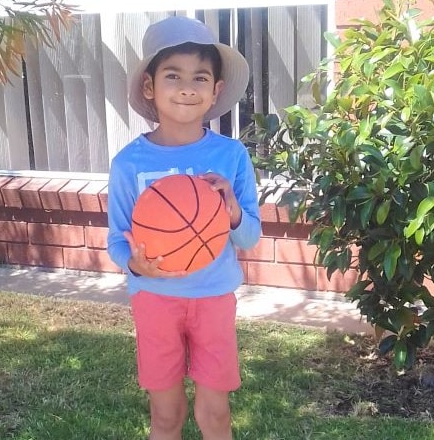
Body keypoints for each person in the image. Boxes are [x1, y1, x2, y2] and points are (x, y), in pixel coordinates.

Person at [106, 16, 262, 440]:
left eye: (200, 77)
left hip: (213, 299)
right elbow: (116, 242)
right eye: (173, 75)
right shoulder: (128, 164)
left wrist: (230, 211)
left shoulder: (231, 157)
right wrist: (138, 267)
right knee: (166, 417)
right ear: (150, 87)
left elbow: (250, 237)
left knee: (215, 417)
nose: (187, 87)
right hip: (155, 301)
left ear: (215, 92)